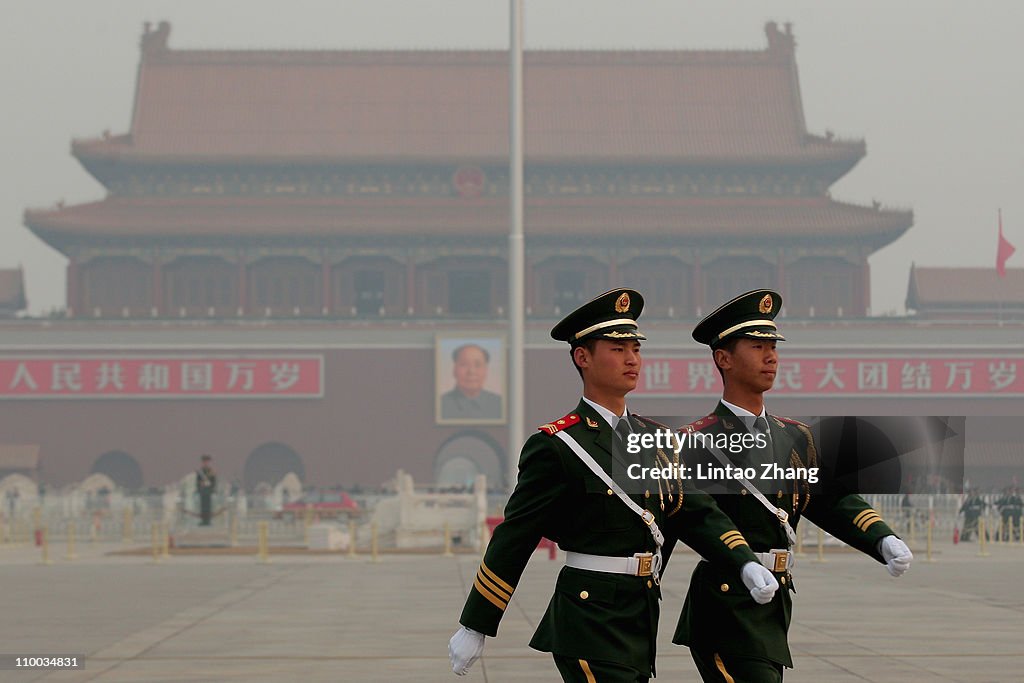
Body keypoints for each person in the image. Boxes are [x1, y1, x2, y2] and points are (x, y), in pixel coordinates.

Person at [448, 288, 778, 682]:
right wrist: (476, 624)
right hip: (589, 619)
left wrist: (742, 562)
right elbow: (515, 537)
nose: (632, 359)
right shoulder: (557, 446)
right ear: (582, 357)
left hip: (639, 616)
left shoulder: (656, 440)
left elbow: (697, 512)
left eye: (635, 348)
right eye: (618, 348)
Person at [673, 289, 913, 683]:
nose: (771, 356)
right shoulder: (695, 442)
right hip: (724, 605)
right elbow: (687, 518)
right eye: (757, 346)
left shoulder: (795, 437)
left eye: (773, 346)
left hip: (774, 606)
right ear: (724, 358)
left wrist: (881, 538)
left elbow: (831, 499)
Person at [440, 343, 503, 421]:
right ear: (454, 370)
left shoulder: (500, 404)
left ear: (486, 371)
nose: (471, 371)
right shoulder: (440, 404)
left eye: (478, 365)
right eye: (464, 364)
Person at [196, 454, 217, 526]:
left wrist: (212, 488)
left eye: (207, 462)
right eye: (204, 462)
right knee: (203, 506)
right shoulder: (200, 472)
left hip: (209, 491)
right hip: (202, 491)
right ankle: (203, 520)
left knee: (208, 506)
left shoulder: (212, 471)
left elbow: (214, 481)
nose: (206, 463)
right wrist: (200, 486)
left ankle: (208, 520)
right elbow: (198, 481)